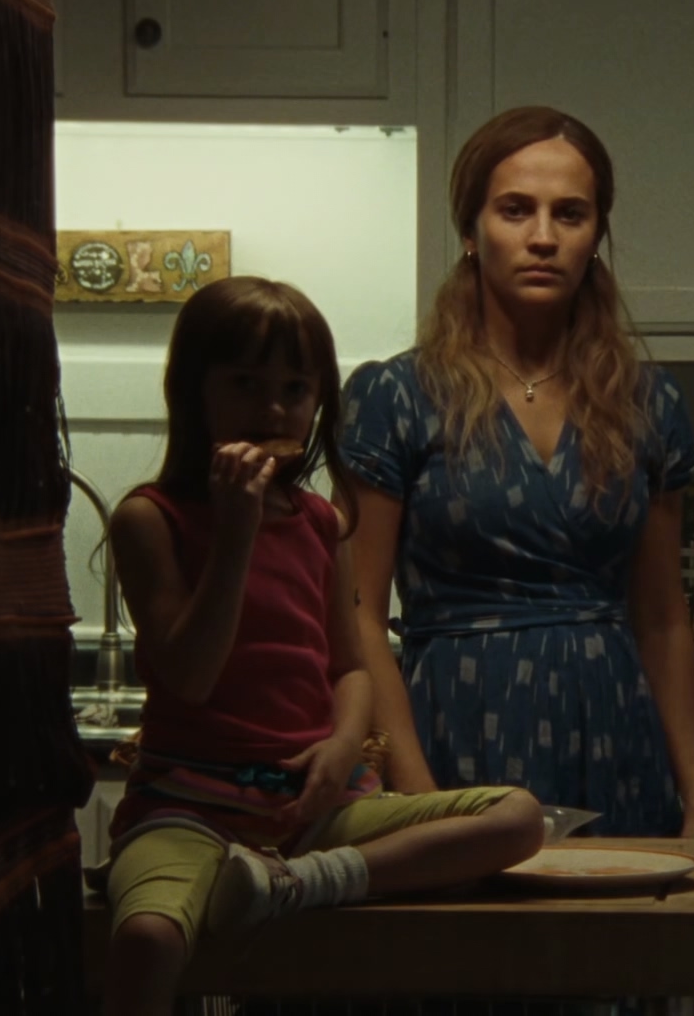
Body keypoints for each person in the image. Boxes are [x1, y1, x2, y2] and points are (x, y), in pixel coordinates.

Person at [100, 276, 545, 1016]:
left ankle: (299, 883)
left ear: (319, 403)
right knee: (147, 938)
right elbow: (191, 675)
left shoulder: (321, 523)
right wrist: (236, 532)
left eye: (295, 389)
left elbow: (351, 667)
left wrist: (343, 746)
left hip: (317, 809)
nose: (273, 410)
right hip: (187, 810)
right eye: (245, 384)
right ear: (192, 390)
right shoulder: (150, 520)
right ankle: (276, 880)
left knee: (517, 818)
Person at [338, 105, 694, 838]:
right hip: (456, 726)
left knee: (620, 915)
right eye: (515, 210)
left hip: (617, 736)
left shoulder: (647, 401)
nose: (543, 236)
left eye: (569, 214)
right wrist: (417, 796)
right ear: (470, 230)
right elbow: (356, 617)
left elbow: (664, 618)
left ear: (595, 235)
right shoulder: (397, 396)